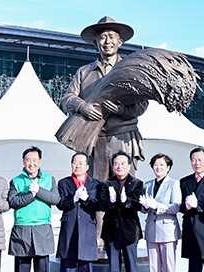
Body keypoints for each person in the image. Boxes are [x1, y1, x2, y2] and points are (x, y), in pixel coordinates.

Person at [62, 16, 147, 181]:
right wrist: (82, 106)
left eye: (111, 37)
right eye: (102, 37)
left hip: (123, 136)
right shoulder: (84, 72)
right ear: (96, 43)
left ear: (120, 42)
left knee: (124, 188)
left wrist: (122, 110)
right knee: (98, 189)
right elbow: (67, 98)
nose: (107, 41)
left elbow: (142, 104)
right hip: (95, 138)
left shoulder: (132, 70)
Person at [8, 146, 60, 272]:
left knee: (42, 268)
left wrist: (39, 191)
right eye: (28, 160)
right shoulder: (16, 181)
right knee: (22, 268)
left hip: (42, 227)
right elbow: (13, 202)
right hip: (22, 227)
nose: (31, 163)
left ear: (40, 162)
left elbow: (55, 199)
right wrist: (31, 195)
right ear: (23, 162)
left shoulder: (49, 179)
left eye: (34, 160)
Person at [56, 152, 100, 272]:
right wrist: (73, 199)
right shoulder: (64, 183)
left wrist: (86, 198)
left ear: (87, 166)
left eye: (81, 162)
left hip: (87, 228)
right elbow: (60, 204)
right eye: (75, 162)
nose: (78, 165)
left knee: (86, 267)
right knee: (67, 266)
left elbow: (98, 204)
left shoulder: (95, 184)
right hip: (69, 229)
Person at [100, 151, 143, 272]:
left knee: (132, 267)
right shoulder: (106, 183)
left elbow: (139, 205)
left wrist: (126, 201)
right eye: (116, 163)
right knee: (114, 268)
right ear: (113, 166)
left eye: (123, 163)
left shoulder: (137, 183)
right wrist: (111, 202)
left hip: (130, 231)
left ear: (129, 166)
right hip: (111, 231)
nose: (119, 167)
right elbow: (101, 205)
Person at [139, 153, 181, 272]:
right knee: (154, 269)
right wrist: (144, 206)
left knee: (168, 269)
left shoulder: (173, 184)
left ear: (168, 167)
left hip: (168, 231)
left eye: (162, 165)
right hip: (151, 230)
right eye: (156, 165)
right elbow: (144, 208)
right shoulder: (148, 184)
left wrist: (157, 205)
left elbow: (176, 207)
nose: (158, 168)